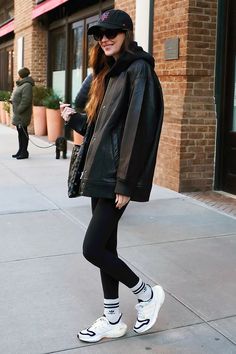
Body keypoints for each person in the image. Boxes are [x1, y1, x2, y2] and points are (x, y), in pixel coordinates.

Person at [61, 9, 165, 343]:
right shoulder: (110, 72)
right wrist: (74, 119)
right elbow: (101, 130)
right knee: (107, 246)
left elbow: (138, 129)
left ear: (126, 33)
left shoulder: (138, 70)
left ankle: (147, 294)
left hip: (114, 178)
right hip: (100, 172)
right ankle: (112, 317)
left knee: (92, 248)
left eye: (111, 32)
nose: (104, 38)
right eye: (99, 34)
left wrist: (125, 182)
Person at [11, 67, 35, 159]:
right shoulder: (21, 84)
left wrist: (19, 110)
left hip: (22, 114)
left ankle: (24, 152)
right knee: (20, 132)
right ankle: (20, 150)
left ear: (21, 75)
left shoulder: (27, 85)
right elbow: (18, 97)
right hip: (18, 113)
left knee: (23, 132)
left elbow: (26, 100)